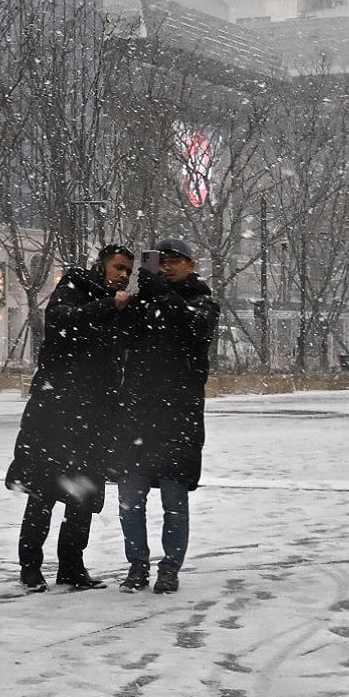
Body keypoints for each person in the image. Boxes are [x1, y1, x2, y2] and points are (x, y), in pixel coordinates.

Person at [5, 245, 131, 591]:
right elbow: (62, 322)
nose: (123, 275)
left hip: (95, 417)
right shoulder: (73, 288)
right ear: (101, 266)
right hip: (57, 414)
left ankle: (72, 565)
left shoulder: (120, 307)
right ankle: (30, 566)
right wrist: (110, 306)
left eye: (128, 271)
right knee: (43, 493)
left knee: (83, 497)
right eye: (118, 267)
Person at [111, 238, 219, 594]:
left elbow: (193, 329)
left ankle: (170, 567)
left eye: (175, 261)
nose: (168, 267)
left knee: (174, 501)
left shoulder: (201, 300)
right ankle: (137, 564)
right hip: (136, 414)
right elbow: (121, 337)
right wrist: (131, 300)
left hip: (178, 417)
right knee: (130, 500)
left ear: (192, 264)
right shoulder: (145, 299)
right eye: (162, 261)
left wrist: (163, 296)